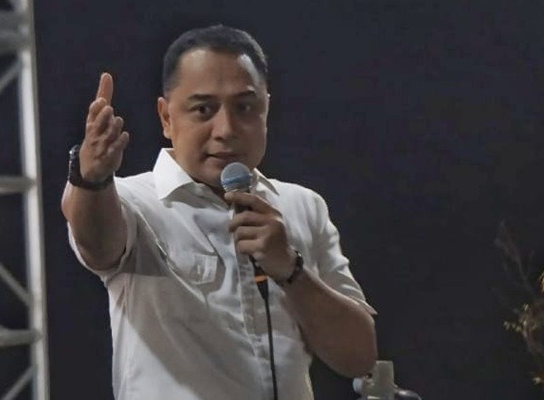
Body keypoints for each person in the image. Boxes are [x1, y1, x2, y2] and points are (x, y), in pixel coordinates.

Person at [61, 25, 377, 400]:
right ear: (166, 117)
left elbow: (359, 358)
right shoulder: (132, 201)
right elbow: (96, 243)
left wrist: (290, 269)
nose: (226, 130)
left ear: (266, 110)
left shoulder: (302, 206)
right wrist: (93, 180)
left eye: (244, 108)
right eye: (203, 110)